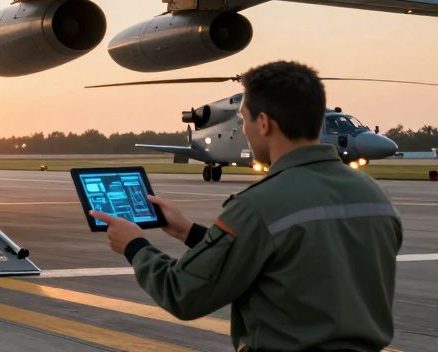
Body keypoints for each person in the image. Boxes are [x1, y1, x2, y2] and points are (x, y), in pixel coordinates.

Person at [91, 61, 402, 352]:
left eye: (246, 118)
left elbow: (181, 293)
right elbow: (285, 260)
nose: (246, 130)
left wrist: (135, 246)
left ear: (263, 123)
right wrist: (189, 232)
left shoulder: (257, 207)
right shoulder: (376, 197)